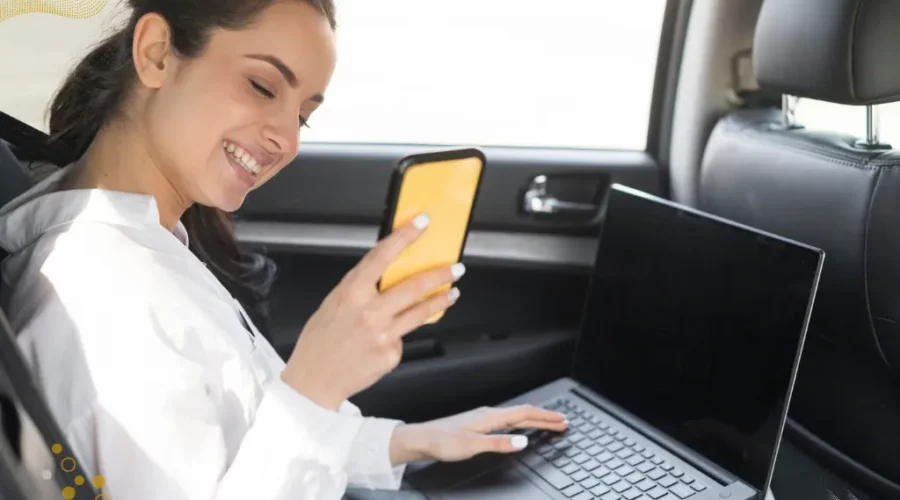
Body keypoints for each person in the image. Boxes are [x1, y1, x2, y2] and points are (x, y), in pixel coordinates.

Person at [0, 1, 568, 499]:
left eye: (303, 116)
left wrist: (407, 442)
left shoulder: (142, 242)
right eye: (262, 86)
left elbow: (247, 432)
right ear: (156, 54)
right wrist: (317, 383)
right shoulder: (106, 300)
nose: (287, 139)